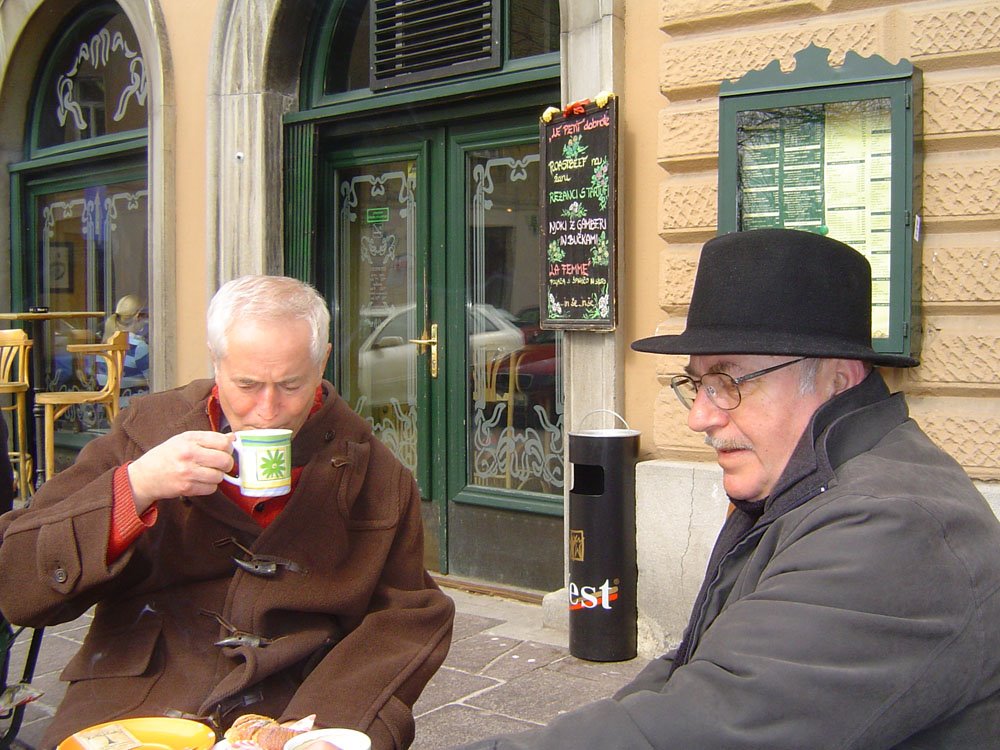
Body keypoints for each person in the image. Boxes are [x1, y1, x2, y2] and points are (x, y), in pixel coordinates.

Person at [457, 228, 1000, 749]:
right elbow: (700, 667)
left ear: (838, 378)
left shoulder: (890, 530)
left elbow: (707, 726)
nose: (698, 417)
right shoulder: (807, 484)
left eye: (729, 381)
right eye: (696, 383)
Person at [0, 275, 454, 749]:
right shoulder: (146, 433)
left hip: (298, 697)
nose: (268, 410)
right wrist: (135, 487)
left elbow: (408, 612)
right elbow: (18, 582)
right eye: (247, 384)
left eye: (292, 385)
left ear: (323, 361)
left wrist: (325, 728)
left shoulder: (377, 474)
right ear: (217, 364)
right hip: (137, 692)